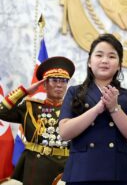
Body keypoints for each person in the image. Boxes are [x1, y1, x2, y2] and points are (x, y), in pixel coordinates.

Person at [59, 33, 127, 185]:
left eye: (111, 56)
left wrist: (114, 108)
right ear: (89, 62)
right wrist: (96, 109)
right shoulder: (74, 92)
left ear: (119, 64)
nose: (104, 60)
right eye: (99, 55)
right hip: (81, 172)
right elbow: (64, 132)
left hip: (116, 173)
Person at [0, 56, 75, 185]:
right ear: (44, 85)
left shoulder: (74, 109)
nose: (59, 85)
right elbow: (2, 111)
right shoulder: (30, 106)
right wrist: (24, 92)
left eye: (63, 81)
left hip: (65, 166)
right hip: (36, 165)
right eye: (54, 80)